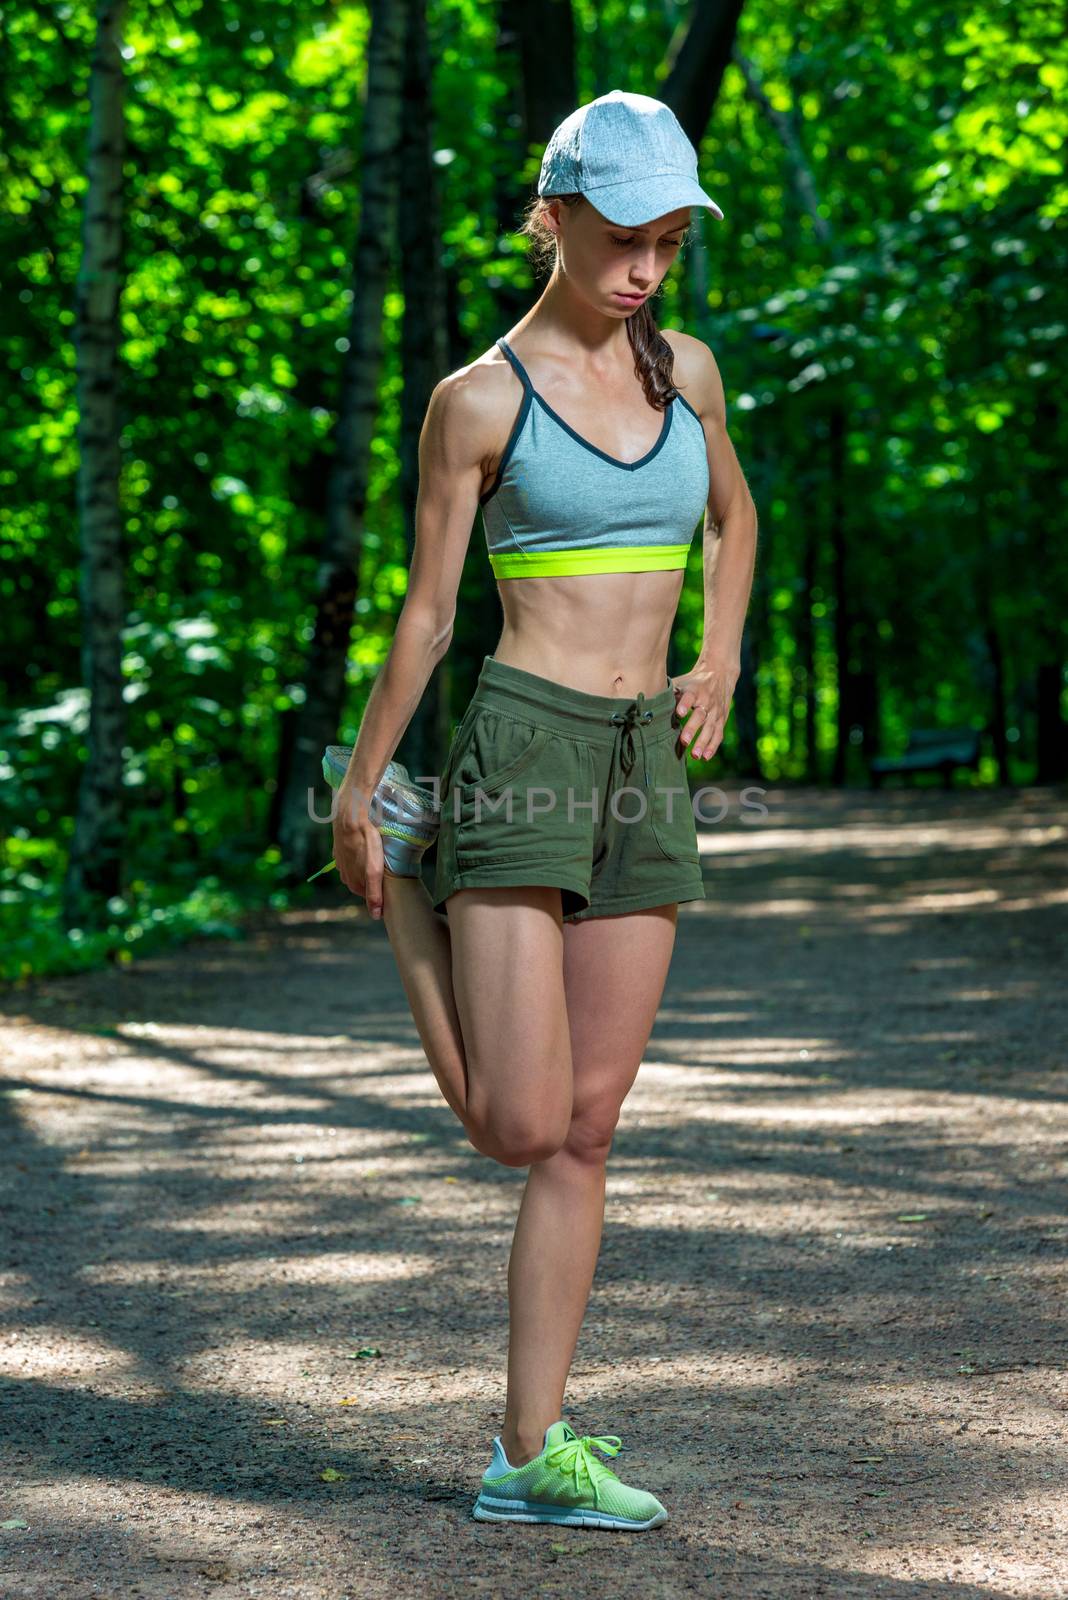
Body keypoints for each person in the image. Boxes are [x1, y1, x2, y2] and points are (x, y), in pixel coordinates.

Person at [324, 89, 757, 1530]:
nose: (644, 266)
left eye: (667, 240)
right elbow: (431, 612)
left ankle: (529, 1457)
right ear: (555, 214)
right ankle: (414, 906)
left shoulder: (684, 370)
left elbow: (731, 520)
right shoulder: (479, 400)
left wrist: (723, 651)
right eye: (622, 235)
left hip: (644, 758)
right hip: (521, 743)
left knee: (587, 1127)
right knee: (513, 1124)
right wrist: (360, 786)